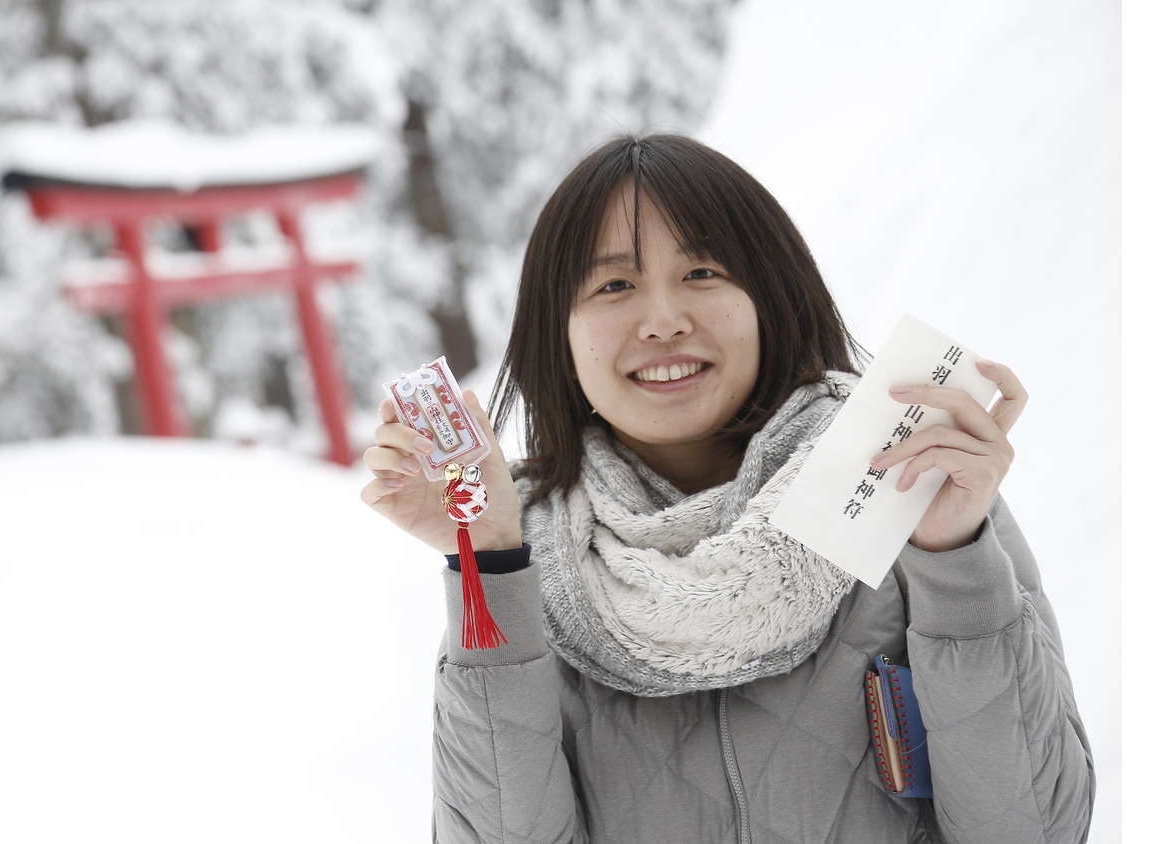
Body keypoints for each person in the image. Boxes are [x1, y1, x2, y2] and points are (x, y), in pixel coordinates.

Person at [360, 133, 1094, 843]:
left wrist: (954, 560)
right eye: (614, 285)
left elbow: (1033, 829)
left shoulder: (911, 485)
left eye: (702, 273)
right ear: (560, 335)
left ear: (770, 297)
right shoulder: (530, 560)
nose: (663, 321)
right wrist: (489, 560)